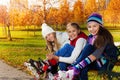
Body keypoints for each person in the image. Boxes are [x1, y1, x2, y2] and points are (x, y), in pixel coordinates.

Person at [65, 13, 118, 80]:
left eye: (94, 26)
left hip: (106, 63)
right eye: (89, 27)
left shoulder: (104, 37)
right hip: (96, 61)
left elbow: (95, 55)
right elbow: (86, 53)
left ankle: (73, 67)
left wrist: (78, 66)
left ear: (100, 26)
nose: (92, 29)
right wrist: (79, 65)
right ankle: (74, 68)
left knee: (89, 47)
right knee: (83, 68)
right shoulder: (91, 37)